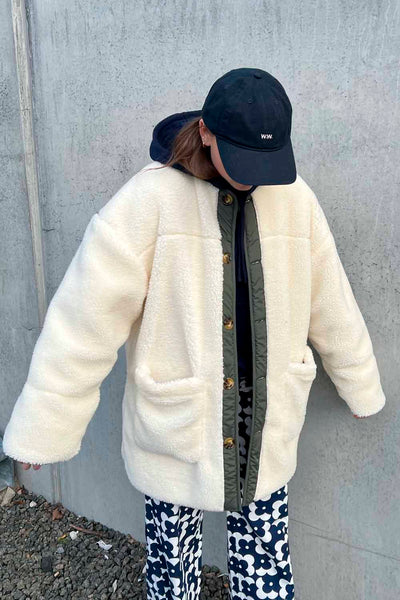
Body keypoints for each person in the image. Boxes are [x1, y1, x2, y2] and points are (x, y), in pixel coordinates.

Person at [2, 68, 386, 599]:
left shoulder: (295, 199)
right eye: (244, 159)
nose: (254, 179)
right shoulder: (148, 200)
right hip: (178, 427)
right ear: (206, 131)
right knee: (171, 569)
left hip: (263, 424)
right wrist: (43, 426)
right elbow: (84, 320)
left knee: (267, 567)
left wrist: (359, 381)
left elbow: (330, 299)